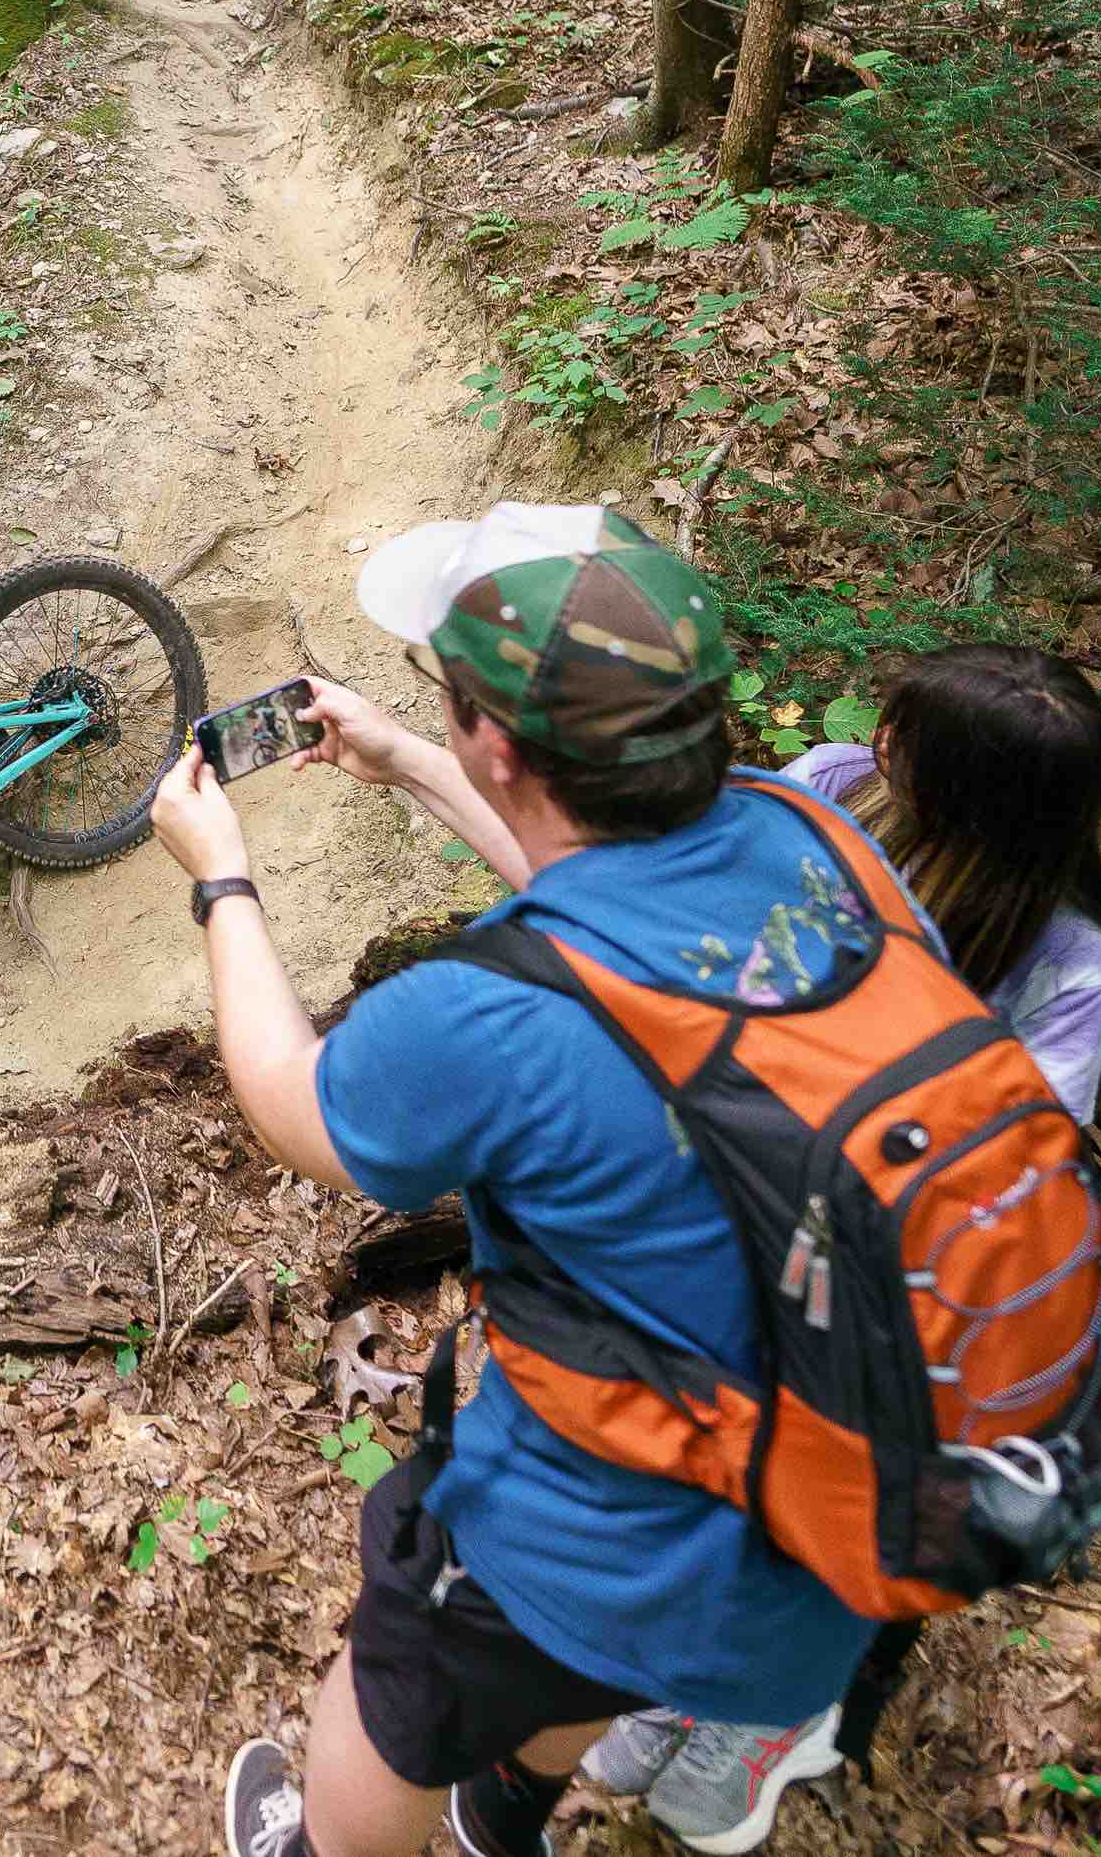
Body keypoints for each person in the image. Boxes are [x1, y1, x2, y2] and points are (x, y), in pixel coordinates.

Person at [151, 503, 880, 1857]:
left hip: (620, 1511)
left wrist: (222, 882)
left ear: (505, 743)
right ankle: (503, 1817)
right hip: (832, 1478)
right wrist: (418, 762)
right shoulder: (812, 839)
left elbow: (296, 1105)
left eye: (454, 705)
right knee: (562, 1666)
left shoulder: (482, 1022)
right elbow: (609, 906)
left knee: (391, 1703)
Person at [570, 643, 1101, 1851]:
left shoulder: (1068, 965)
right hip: (748, 1200)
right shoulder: (829, 784)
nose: (878, 744)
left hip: (896, 1274)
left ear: (967, 795)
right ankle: (699, 1668)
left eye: (908, 741)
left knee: (852, 1480)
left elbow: (1006, 1168)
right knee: (723, 1451)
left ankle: (786, 1708)